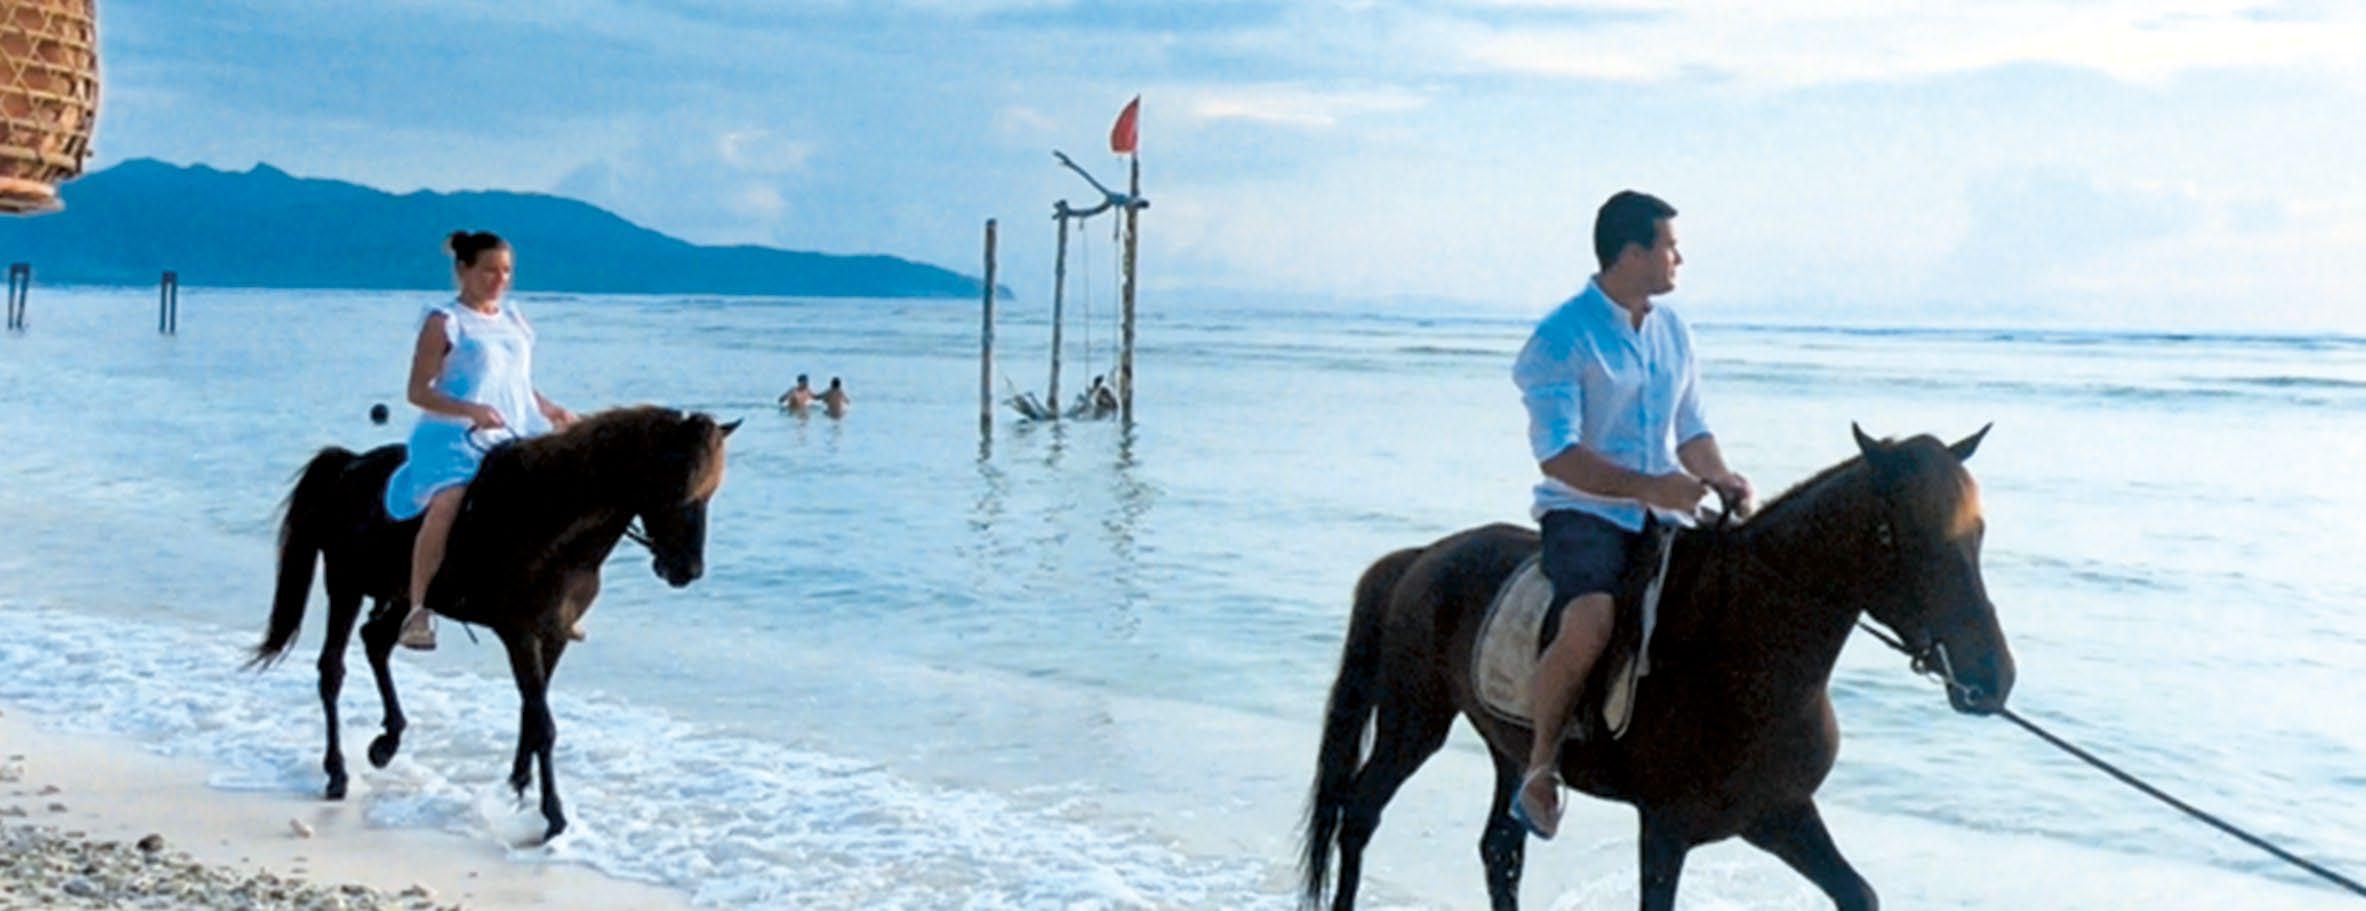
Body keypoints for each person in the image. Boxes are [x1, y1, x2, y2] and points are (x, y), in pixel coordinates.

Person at [1507, 191, 1754, 839]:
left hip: (1664, 509)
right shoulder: (1560, 338)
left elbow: (1692, 430)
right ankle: (1539, 769)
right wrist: (1653, 487)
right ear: (1632, 253)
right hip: (1584, 512)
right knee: (1592, 619)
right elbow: (1558, 455)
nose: (1679, 258)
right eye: (1670, 246)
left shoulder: (1674, 331)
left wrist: (1721, 478)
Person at [382, 230, 577, 651]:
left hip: (513, 431)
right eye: (489, 270)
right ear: (463, 270)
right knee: (449, 501)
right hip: (452, 435)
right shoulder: (444, 321)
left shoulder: (514, 321)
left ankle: (556, 599)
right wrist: (470, 410)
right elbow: (418, 392)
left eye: (506, 271)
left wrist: (552, 411)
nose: (499, 279)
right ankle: (419, 609)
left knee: (560, 499)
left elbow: (516, 384)